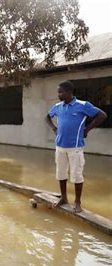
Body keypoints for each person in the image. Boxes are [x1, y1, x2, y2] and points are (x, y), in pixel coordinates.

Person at [45, 80, 107, 213]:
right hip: (60, 146)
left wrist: (87, 129)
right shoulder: (58, 106)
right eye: (58, 92)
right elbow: (47, 117)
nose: (58, 94)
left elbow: (102, 115)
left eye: (60, 92)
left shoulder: (83, 105)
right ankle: (64, 198)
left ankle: (78, 202)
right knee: (61, 174)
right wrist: (54, 128)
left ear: (69, 92)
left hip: (76, 147)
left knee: (77, 175)